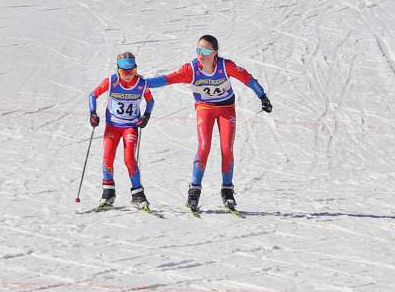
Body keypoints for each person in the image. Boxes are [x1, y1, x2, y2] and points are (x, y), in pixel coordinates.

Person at [143, 35, 272, 213]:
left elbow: (247, 79)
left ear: (214, 53)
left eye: (205, 51)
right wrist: (140, 83)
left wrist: (262, 96)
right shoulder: (191, 69)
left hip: (226, 108)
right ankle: (194, 190)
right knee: (204, 146)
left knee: (227, 148)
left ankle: (227, 190)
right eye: (198, 50)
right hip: (205, 108)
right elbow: (166, 79)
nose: (200, 54)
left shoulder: (226, 66)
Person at [88, 52, 154, 209]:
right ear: (118, 70)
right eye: (125, 72)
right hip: (113, 126)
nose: (128, 75)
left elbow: (150, 101)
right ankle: (108, 193)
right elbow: (93, 95)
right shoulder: (111, 82)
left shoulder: (141, 84)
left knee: (129, 158)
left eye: (132, 71)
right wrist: (93, 113)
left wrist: (146, 117)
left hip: (130, 127)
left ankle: (138, 194)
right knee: (107, 157)